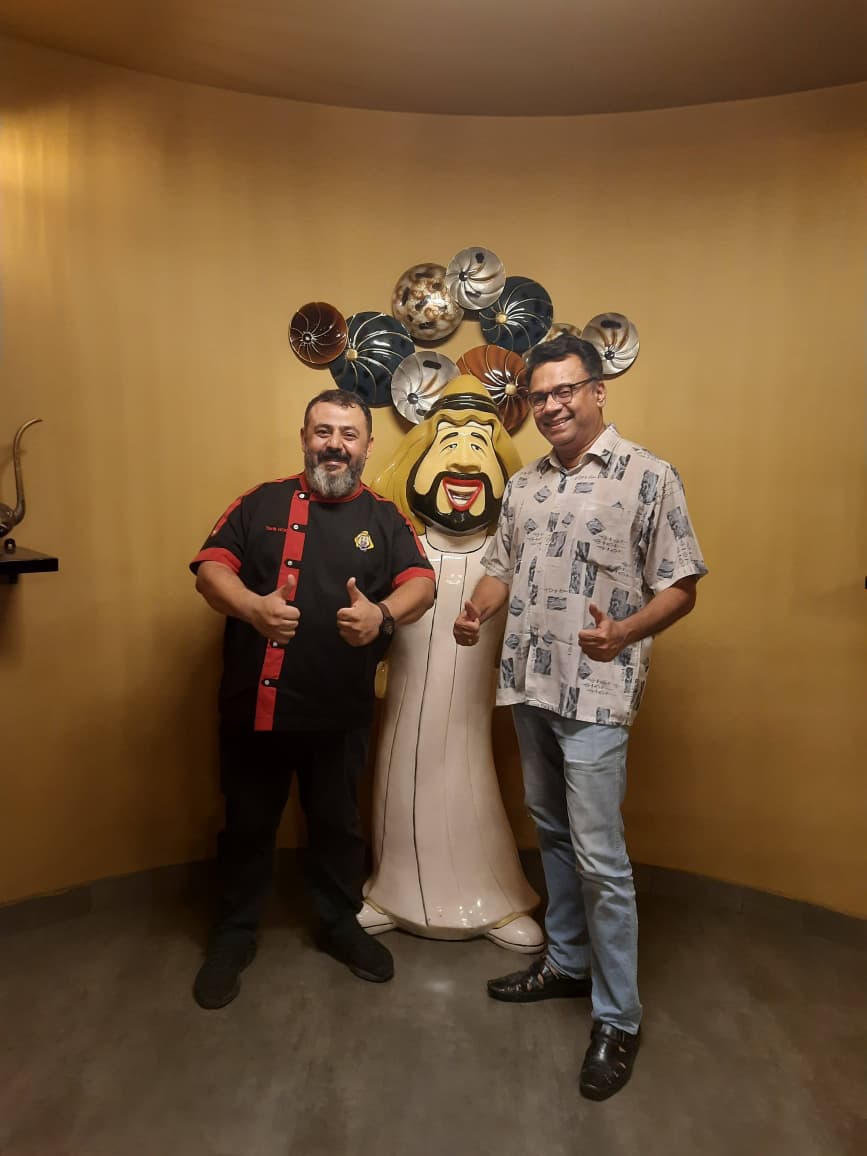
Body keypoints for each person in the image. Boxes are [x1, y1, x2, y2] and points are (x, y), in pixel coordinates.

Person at [453, 334, 706, 1100]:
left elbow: (681, 584)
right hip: (529, 686)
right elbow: (501, 568)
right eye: (540, 395)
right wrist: (475, 611)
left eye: (565, 390)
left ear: (597, 391)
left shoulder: (648, 476)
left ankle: (618, 1017)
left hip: (596, 694)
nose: (552, 405)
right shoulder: (523, 486)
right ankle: (565, 962)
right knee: (553, 834)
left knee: (600, 857)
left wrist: (623, 632)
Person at [190, 388, 435, 1009]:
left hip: (338, 711)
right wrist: (254, 608)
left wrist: (381, 615)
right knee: (247, 825)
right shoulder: (260, 502)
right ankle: (234, 933)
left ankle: (338, 924)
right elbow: (211, 571)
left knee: (336, 827)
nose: (335, 445)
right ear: (304, 438)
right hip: (256, 707)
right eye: (323, 432)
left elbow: (422, 584)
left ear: (367, 446)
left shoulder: (384, 517)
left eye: (349, 435)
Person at [359, 377, 542, 951]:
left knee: (470, 782)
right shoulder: (399, 547)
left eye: (479, 445)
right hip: (404, 702)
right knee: (397, 779)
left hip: (471, 712)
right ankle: (389, 890)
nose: (463, 460)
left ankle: (494, 895)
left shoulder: (507, 556)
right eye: (450, 443)